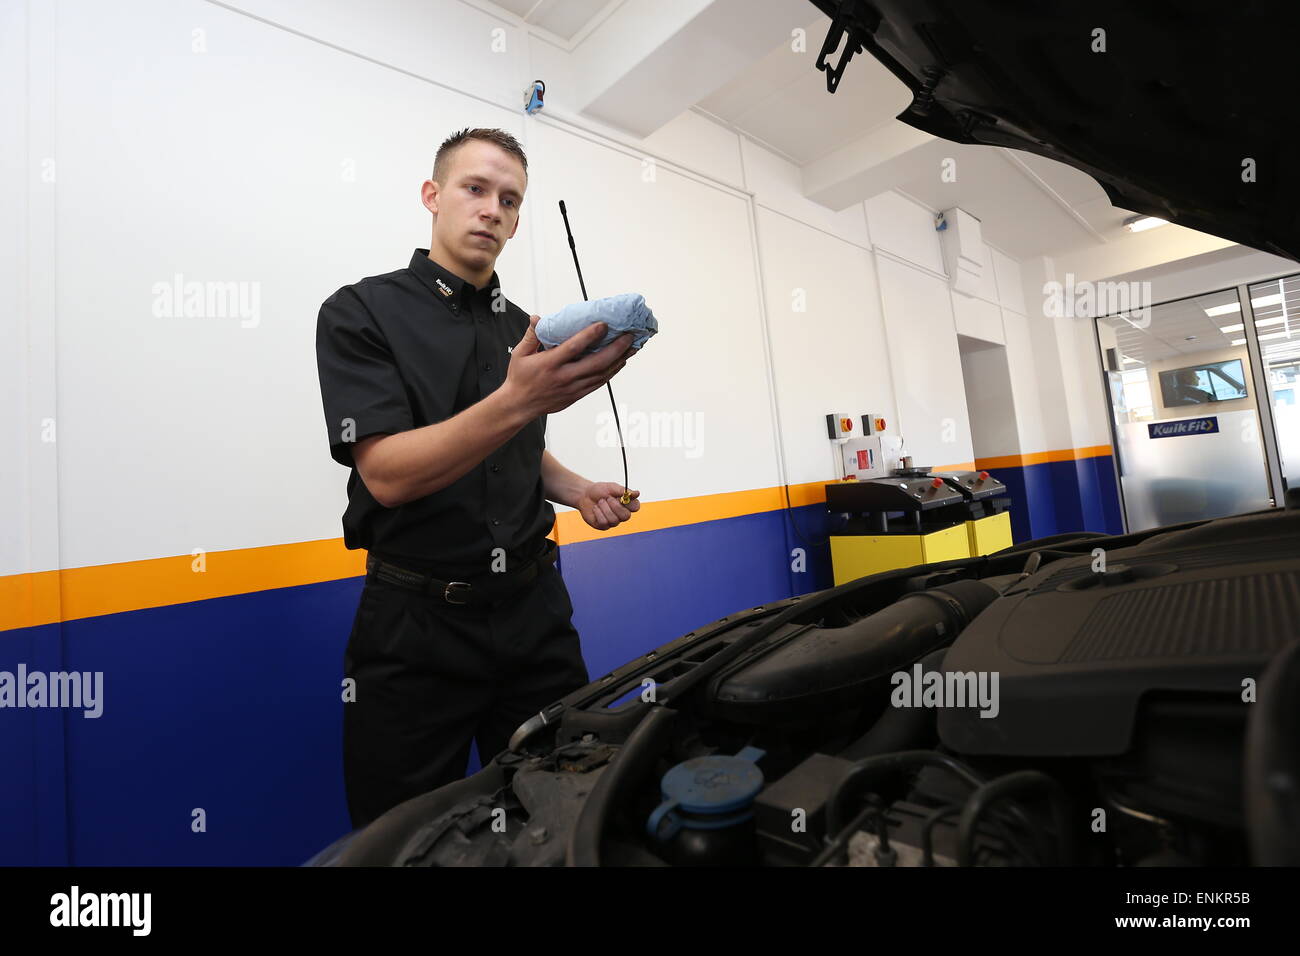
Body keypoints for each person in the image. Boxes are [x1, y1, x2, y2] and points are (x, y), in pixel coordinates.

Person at [315, 127, 640, 829]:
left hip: (535, 615)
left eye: (510, 199)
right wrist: (521, 396)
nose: (492, 209)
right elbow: (388, 475)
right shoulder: (359, 312)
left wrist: (577, 489)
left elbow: (515, 446)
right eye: (474, 188)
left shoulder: (523, 328)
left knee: (567, 812)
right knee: (400, 834)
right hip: (414, 630)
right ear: (433, 196)